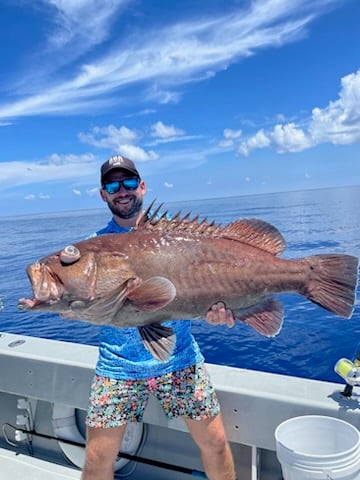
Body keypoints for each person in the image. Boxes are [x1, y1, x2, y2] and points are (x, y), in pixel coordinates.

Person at [81, 155, 236, 480]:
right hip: (117, 367)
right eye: (112, 184)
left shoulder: (179, 238)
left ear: (142, 186)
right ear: (103, 194)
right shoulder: (95, 248)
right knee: (96, 460)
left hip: (180, 360)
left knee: (217, 444)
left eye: (128, 182)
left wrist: (221, 311)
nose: (121, 190)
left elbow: (207, 285)